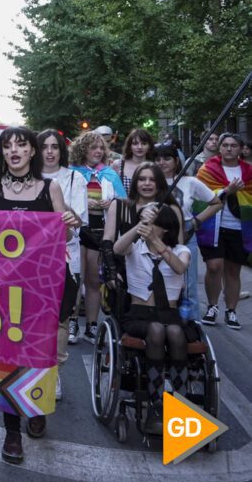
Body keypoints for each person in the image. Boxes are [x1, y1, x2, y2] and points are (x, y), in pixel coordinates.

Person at [0, 127, 77, 464]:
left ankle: (35, 405)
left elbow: (61, 236)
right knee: (7, 357)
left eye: (22, 145)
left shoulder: (51, 188)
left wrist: (69, 221)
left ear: (32, 152)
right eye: (8, 146)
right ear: (2, 153)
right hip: (2, 286)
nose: (15, 151)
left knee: (38, 353)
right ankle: (12, 431)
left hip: (41, 288)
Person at [106, 163, 188, 434]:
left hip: (170, 314)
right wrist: (140, 226)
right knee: (156, 329)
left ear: (168, 229)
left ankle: (178, 399)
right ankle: (155, 403)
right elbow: (118, 248)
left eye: (158, 227)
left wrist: (159, 243)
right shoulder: (135, 249)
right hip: (141, 315)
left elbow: (179, 267)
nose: (153, 230)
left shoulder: (181, 250)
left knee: (175, 332)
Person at [37, 128, 86, 396]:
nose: (50, 152)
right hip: (33, 259)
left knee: (60, 319)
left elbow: (79, 220)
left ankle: (54, 373)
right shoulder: (27, 178)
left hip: (66, 256)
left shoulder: (74, 178)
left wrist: (59, 203)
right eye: (44, 147)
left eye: (55, 147)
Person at [154, 143, 223, 322]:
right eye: (158, 159)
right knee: (156, 278)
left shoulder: (190, 182)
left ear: (176, 161)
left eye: (167, 158)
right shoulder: (150, 181)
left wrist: (196, 221)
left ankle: (192, 325)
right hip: (154, 233)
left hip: (185, 234)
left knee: (188, 283)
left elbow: (216, 203)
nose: (162, 162)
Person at [69, 130, 127, 344]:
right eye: (94, 147)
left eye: (101, 148)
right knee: (77, 279)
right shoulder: (72, 172)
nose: (98, 151)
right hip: (78, 230)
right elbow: (65, 200)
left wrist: (110, 203)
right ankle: (73, 322)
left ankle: (92, 326)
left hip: (100, 231)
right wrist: (84, 202)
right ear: (83, 150)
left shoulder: (110, 174)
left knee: (94, 281)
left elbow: (124, 201)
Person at [196, 132, 251, 330]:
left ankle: (231, 311)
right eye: (225, 145)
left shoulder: (248, 171)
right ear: (219, 148)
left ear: (240, 149)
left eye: (233, 145)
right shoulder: (208, 169)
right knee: (214, 267)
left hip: (239, 228)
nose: (229, 148)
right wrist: (227, 190)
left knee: (233, 271)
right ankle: (212, 307)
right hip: (213, 226)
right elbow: (200, 197)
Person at [113, 128, 156, 194]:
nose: (139, 147)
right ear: (130, 146)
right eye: (135, 143)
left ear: (149, 146)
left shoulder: (155, 167)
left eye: (144, 144)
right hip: (122, 204)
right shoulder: (118, 165)